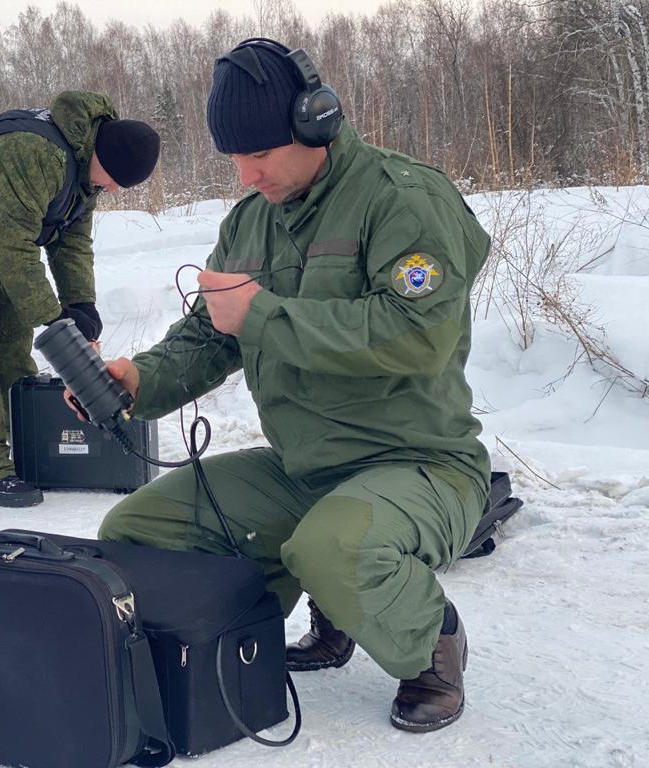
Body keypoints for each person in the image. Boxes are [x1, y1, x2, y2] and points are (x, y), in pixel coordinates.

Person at [76, 39, 491, 732]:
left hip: (421, 464)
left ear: (316, 121)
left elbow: (421, 337)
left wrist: (264, 314)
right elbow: (211, 335)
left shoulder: (402, 200)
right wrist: (137, 379)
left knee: (335, 544)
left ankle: (431, 645)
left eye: (260, 153)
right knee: (137, 531)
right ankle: (265, 631)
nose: (247, 173)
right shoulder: (250, 222)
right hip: (306, 469)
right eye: (233, 158)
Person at [0, 91, 160, 508]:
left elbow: (71, 242)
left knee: (15, 339)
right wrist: (55, 320)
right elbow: (13, 246)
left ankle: (26, 456)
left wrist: (81, 307)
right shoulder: (35, 150)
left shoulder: (86, 170)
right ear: (105, 158)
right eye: (113, 179)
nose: (110, 189)